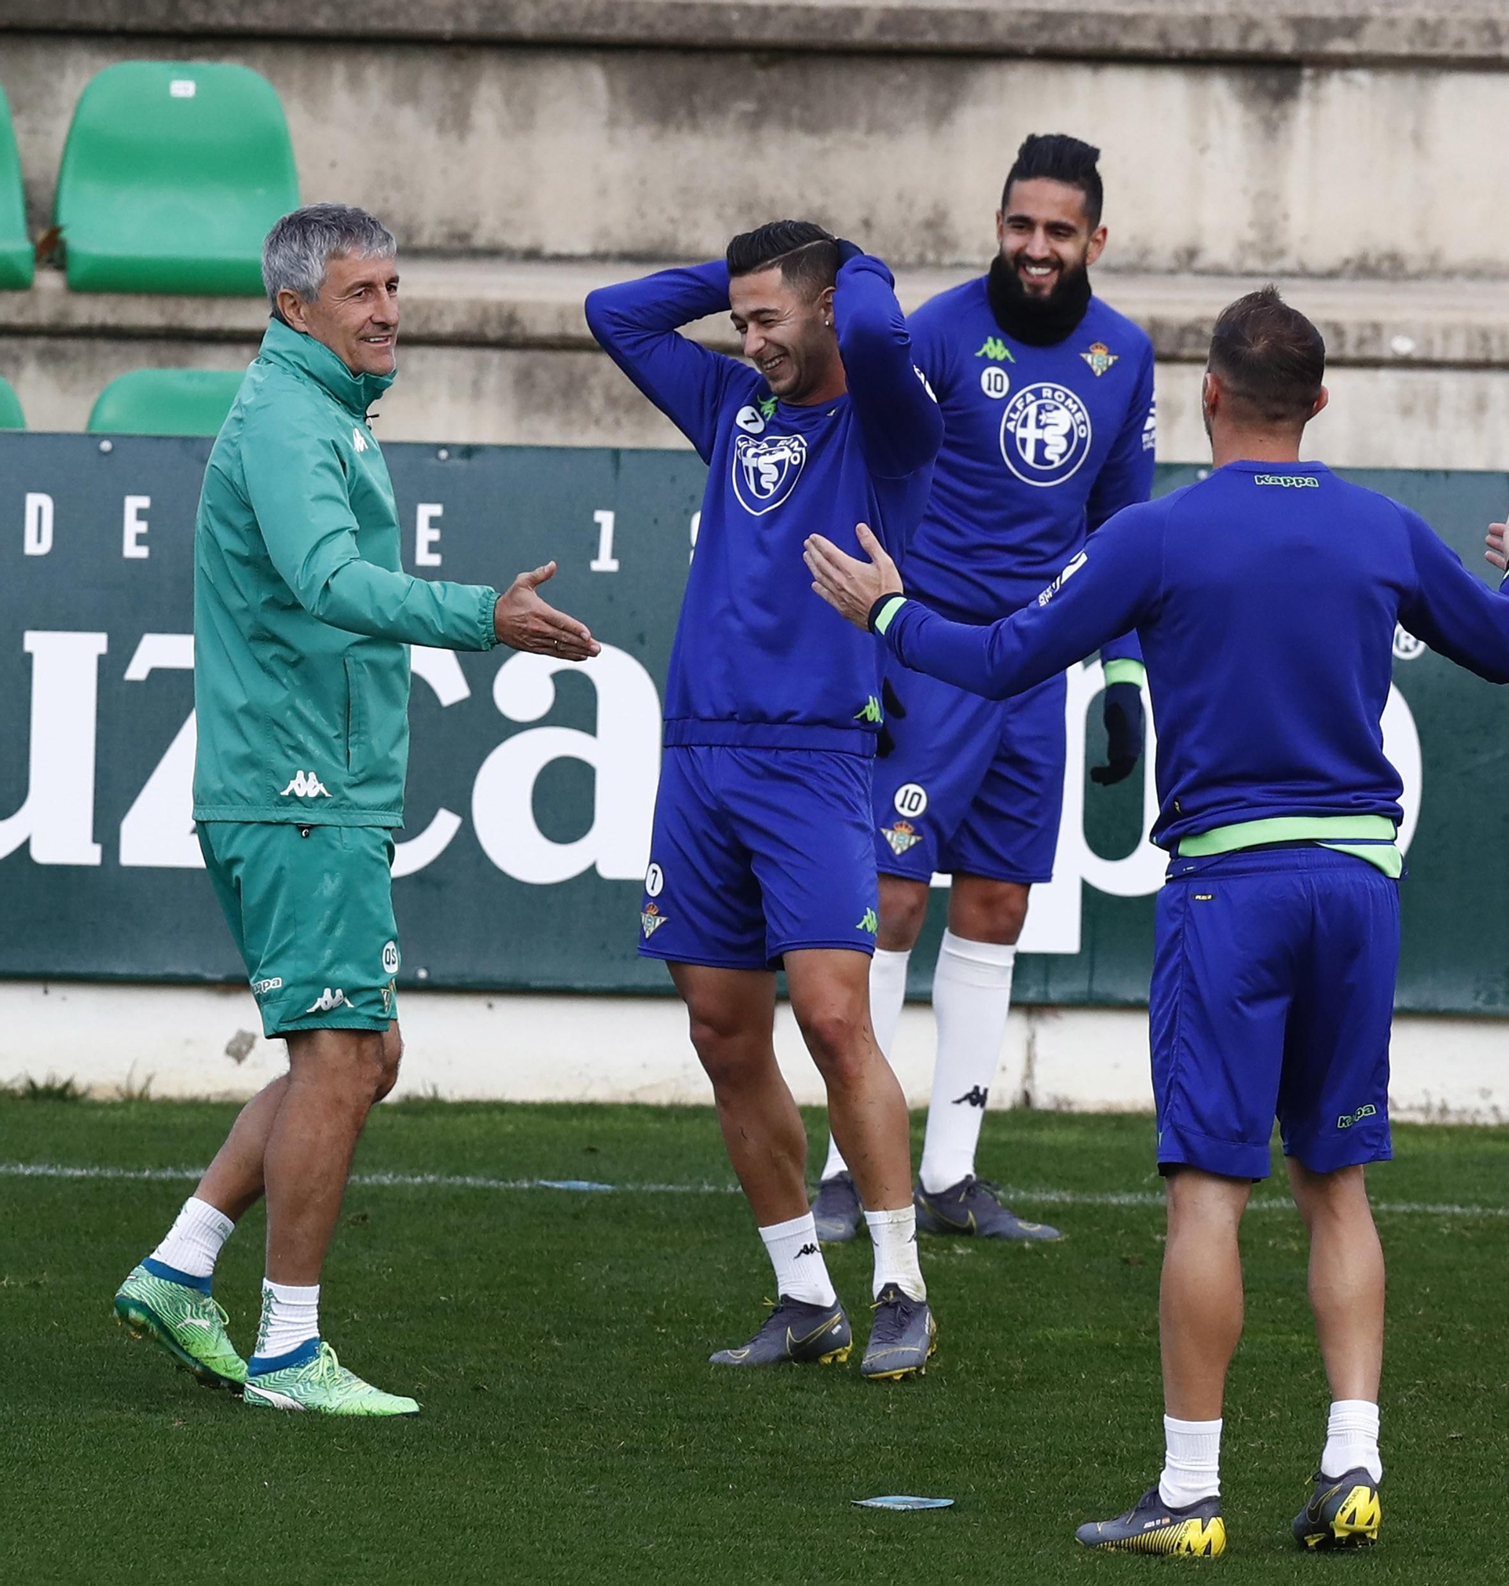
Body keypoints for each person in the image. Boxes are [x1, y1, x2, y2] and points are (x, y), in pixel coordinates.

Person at [805, 286, 1509, 1551]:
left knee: (1209, 1194)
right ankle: (1351, 1459)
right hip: (1358, 891)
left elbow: (1000, 659)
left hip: (1230, 892)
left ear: (1206, 394)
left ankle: (1191, 1491)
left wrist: (885, 607)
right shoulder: (1378, 527)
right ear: (1317, 403)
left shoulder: (1159, 534)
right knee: (1338, 1186)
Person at [113, 204, 599, 1416]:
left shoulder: (320, 408)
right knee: (338, 1052)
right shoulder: (289, 420)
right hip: (295, 788)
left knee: (364, 1051)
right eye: (361, 292)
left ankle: (181, 1264)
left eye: (393, 285)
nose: (388, 310)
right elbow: (327, 581)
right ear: (295, 309)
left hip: (313, 783)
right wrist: (479, 616)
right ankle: (287, 1351)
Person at [586, 222, 943, 1379]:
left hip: (814, 757)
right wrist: (743, 282)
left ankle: (899, 1281)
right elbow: (614, 313)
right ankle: (803, 1292)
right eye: (736, 321)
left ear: (828, 307)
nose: (747, 341)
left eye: (767, 319)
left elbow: (882, 330)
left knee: (836, 1019)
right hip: (697, 756)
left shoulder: (888, 423)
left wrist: (853, 263)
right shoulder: (735, 402)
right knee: (721, 1030)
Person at [811, 134, 1156, 1244]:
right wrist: (877, 642)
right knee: (895, 898)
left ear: (1095, 238)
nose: (1037, 247)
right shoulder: (945, 330)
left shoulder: (1126, 355)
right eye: (1020, 225)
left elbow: (1120, 521)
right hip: (928, 649)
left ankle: (951, 1173)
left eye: (1059, 230)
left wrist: (1121, 672)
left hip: (1036, 666)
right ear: (997, 226)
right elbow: (875, 465)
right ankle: (845, 1166)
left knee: (998, 904)